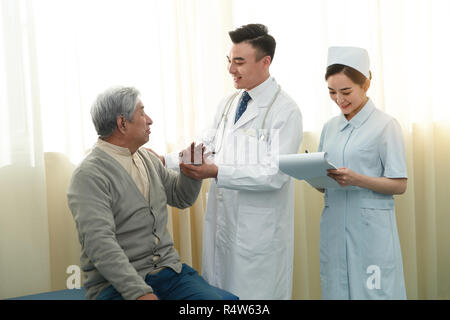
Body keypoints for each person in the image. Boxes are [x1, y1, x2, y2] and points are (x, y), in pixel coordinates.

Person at [159, 24, 303, 299]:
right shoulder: (228, 103)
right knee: (218, 296)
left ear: (265, 62)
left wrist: (215, 171)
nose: (230, 69)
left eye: (239, 62)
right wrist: (163, 161)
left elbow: (275, 174)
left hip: (257, 235)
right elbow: (206, 147)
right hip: (223, 226)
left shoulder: (285, 111)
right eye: (229, 61)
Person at [67, 86, 238, 300]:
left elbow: (180, 197)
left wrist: (191, 171)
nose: (149, 120)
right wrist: (140, 293)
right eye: (142, 112)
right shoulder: (89, 175)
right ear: (122, 123)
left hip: (168, 273)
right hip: (116, 284)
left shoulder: (146, 158)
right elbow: (100, 244)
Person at [318, 46, 408, 299]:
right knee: (337, 290)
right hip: (334, 225)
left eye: (346, 92)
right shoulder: (330, 127)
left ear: (366, 84)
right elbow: (325, 177)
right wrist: (315, 178)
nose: (339, 99)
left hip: (371, 230)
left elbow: (399, 184)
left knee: (375, 292)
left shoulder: (385, 126)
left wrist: (357, 179)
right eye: (332, 92)